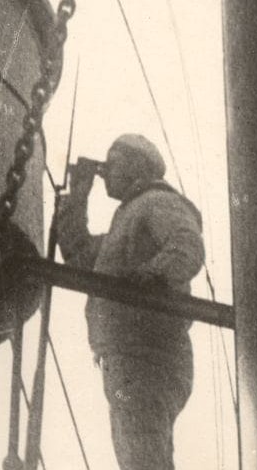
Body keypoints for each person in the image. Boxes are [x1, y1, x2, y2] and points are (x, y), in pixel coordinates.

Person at [56, 134, 205, 470]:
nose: (105, 169)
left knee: (141, 456)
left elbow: (187, 245)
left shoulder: (157, 202)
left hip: (149, 355)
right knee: (137, 455)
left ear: (140, 166)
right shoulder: (126, 223)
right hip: (128, 357)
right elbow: (80, 258)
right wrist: (77, 197)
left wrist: (153, 276)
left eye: (114, 161)